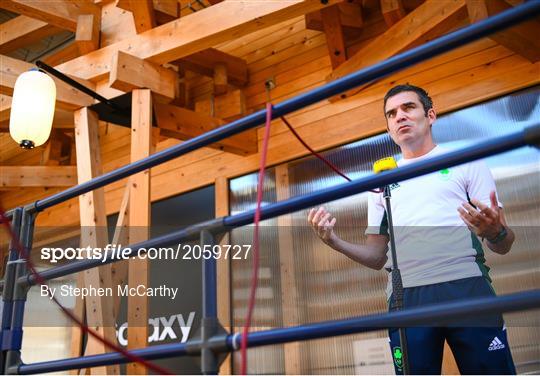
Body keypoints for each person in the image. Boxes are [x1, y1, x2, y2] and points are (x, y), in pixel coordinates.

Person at [307, 84, 516, 374]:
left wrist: (495, 231)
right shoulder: (380, 180)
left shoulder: (466, 161)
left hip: (466, 285)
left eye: (408, 108)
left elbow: (504, 244)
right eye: (391, 114)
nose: (399, 117)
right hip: (407, 296)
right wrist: (333, 241)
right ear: (389, 128)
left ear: (430, 115)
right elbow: (376, 256)